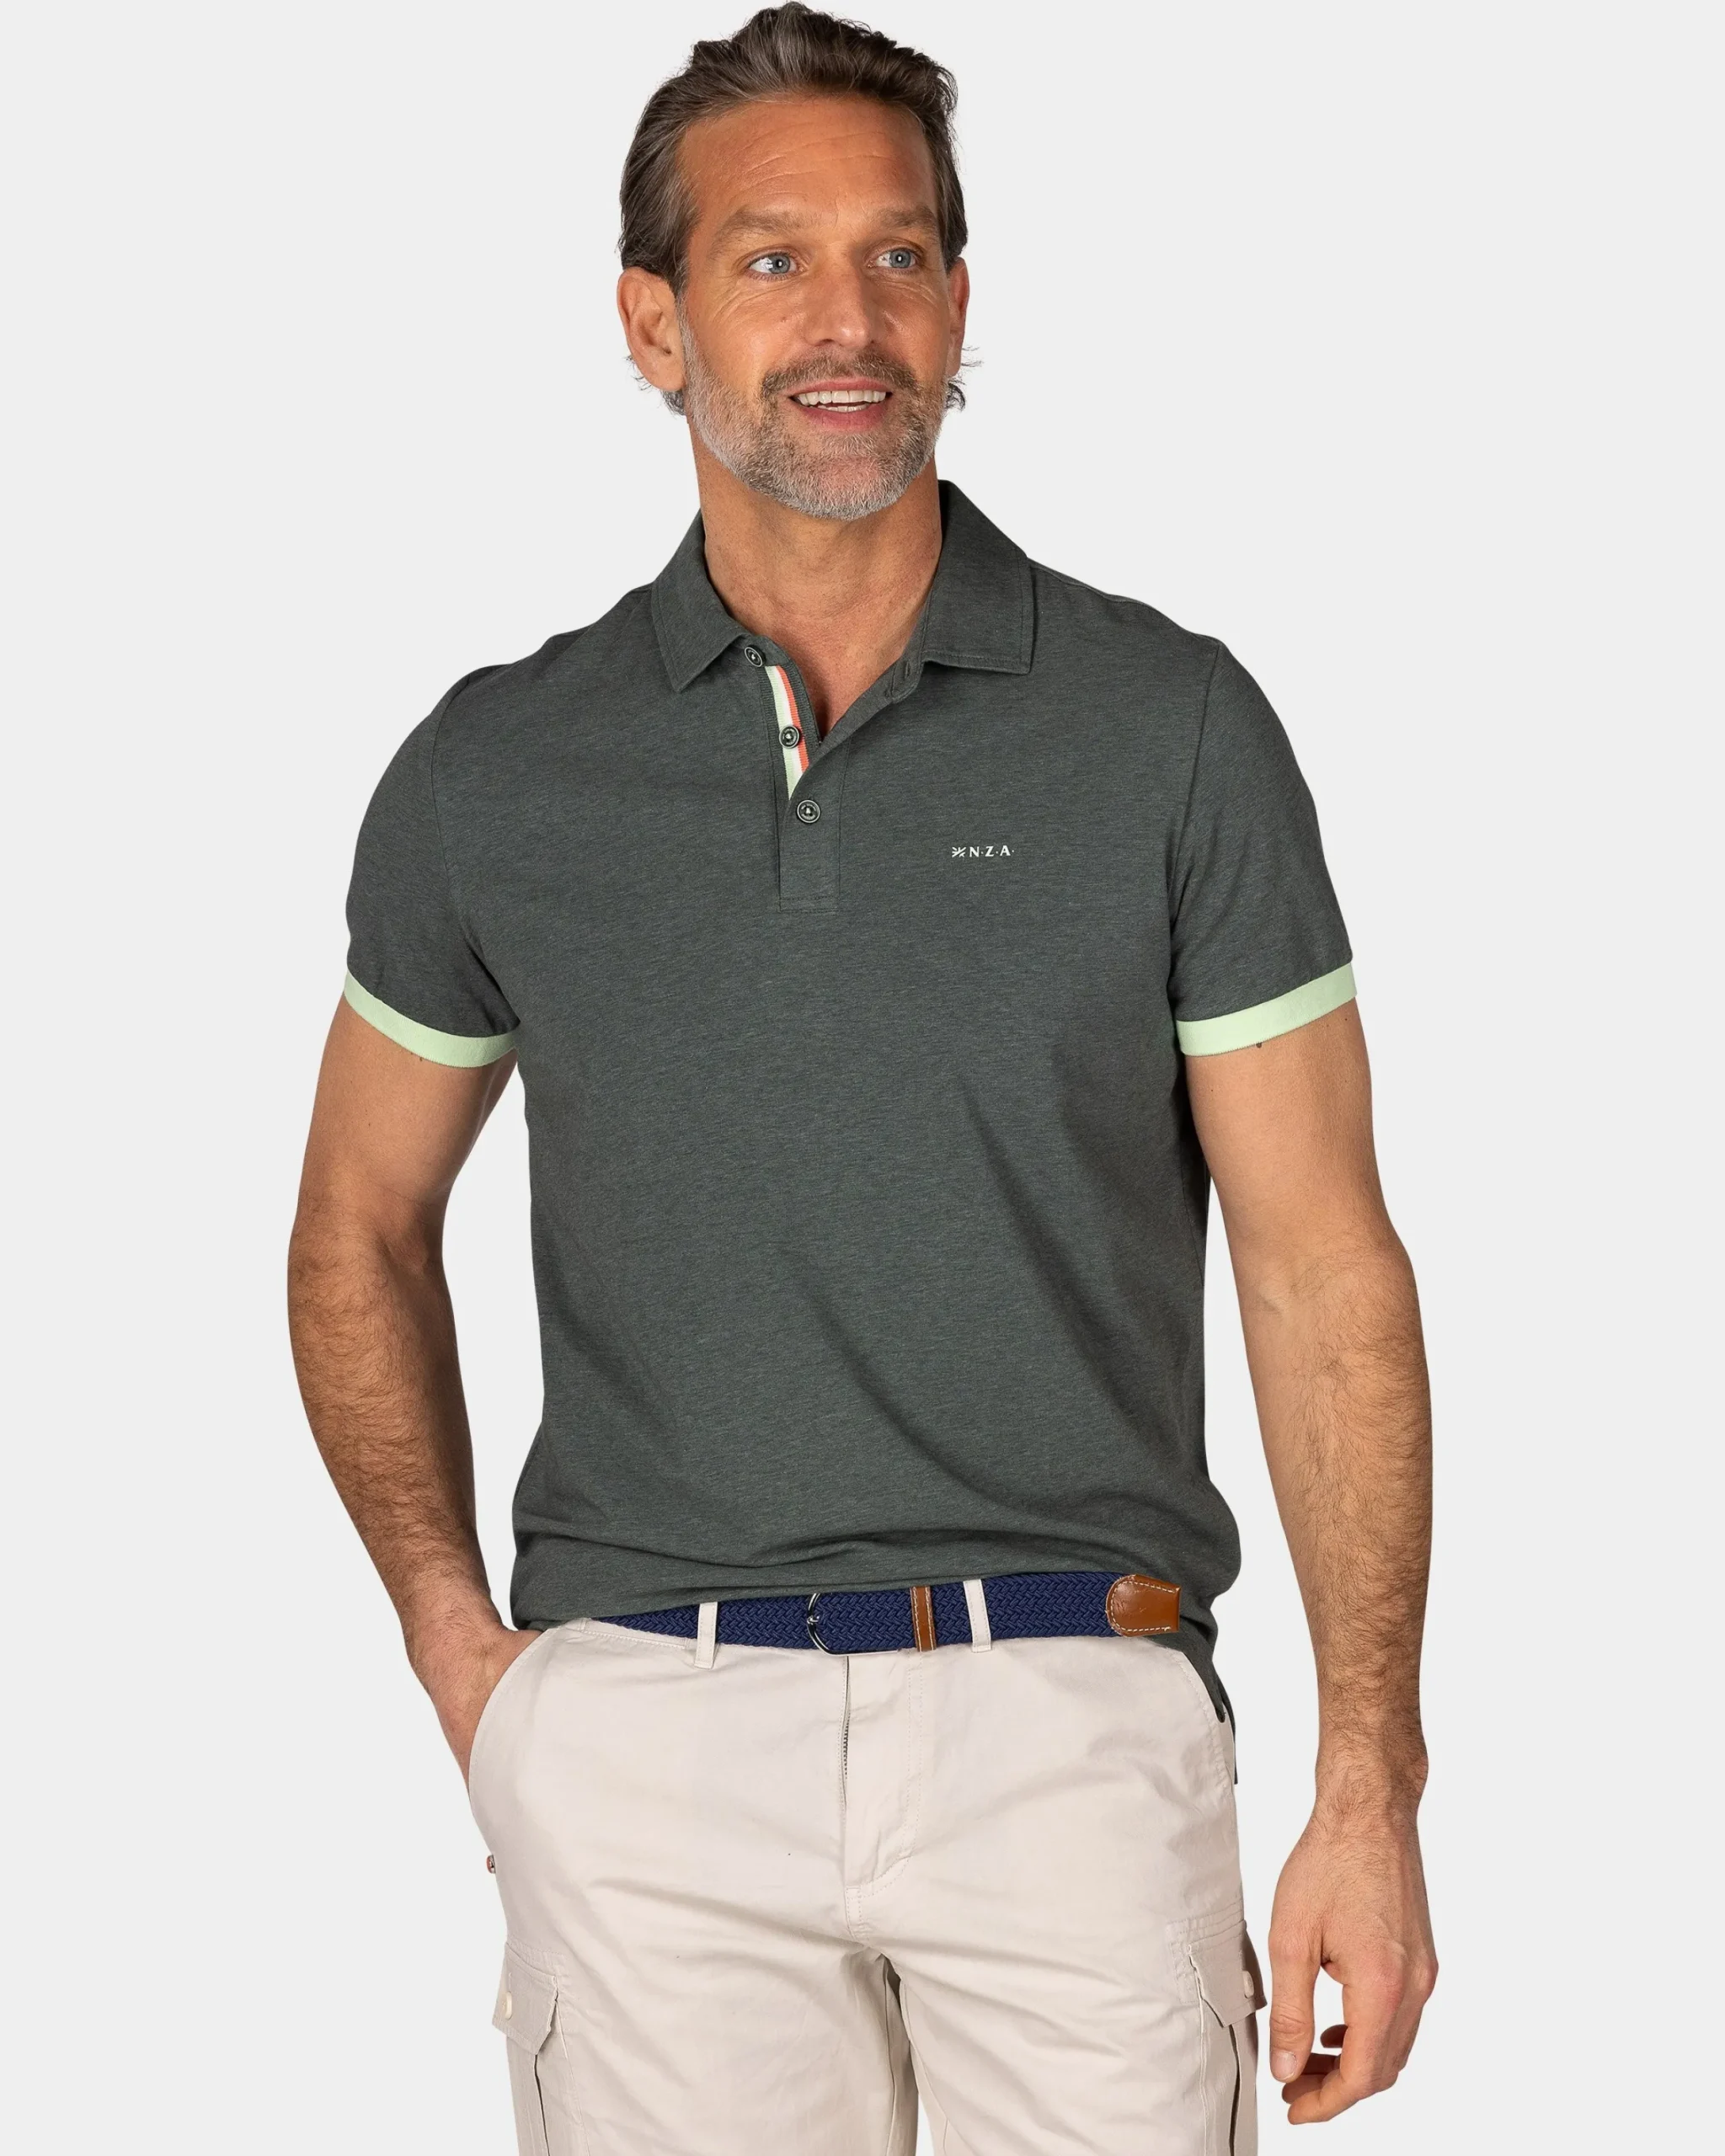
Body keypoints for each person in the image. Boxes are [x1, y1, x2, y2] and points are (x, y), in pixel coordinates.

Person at [287, 8, 1436, 2150]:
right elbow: (355, 1222)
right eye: (772, 259)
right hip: (644, 1733)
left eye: (899, 256)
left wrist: (1368, 1779)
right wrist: (465, 1653)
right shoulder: (496, 770)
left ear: (960, 301)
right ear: (652, 323)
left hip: (1073, 1716)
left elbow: (1321, 1267)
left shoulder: (1168, 727)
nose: (849, 320)